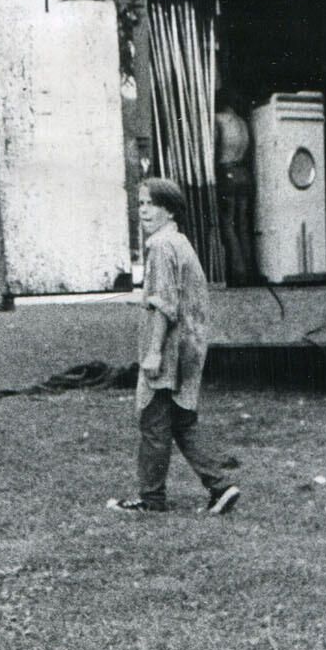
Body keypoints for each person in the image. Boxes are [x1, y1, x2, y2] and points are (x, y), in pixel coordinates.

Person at [108, 179, 238, 517]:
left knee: (152, 421)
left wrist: (153, 352)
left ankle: (151, 499)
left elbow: (165, 305)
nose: (144, 211)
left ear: (170, 210)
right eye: (141, 204)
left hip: (169, 348)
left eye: (152, 204)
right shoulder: (179, 242)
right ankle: (221, 486)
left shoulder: (162, 246)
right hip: (188, 345)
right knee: (181, 420)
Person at [214, 88, 254, 285]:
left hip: (226, 173)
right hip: (244, 174)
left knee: (228, 223)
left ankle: (238, 273)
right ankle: (249, 268)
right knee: (243, 224)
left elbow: (216, 148)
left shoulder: (218, 120)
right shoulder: (243, 123)